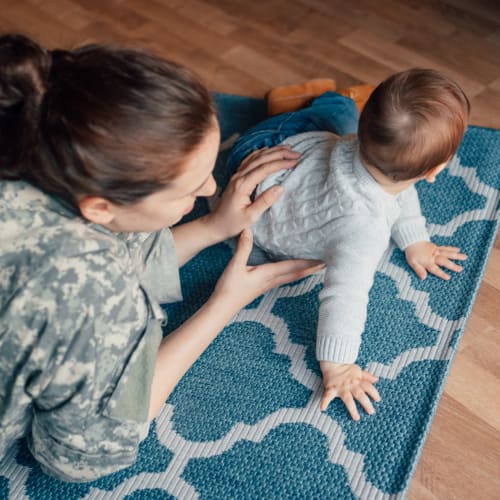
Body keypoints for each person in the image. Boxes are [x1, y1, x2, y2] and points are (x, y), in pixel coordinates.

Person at [0, 34, 326, 482]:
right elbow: (83, 457)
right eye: (190, 189)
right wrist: (223, 304)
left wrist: (213, 228)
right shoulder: (93, 289)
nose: (211, 190)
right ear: (98, 207)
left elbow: (126, 239)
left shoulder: (26, 135)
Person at [225, 68, 470, 421]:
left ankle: (328, 101)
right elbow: (345, 295)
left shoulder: (362, 146)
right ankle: (312, 100)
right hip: (268, 156)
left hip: (265, 163)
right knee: (337, 113)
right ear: (436, 170)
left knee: (340, 118)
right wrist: (337, 366)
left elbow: (398, 190)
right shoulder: (365, 228)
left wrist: (415, 240)